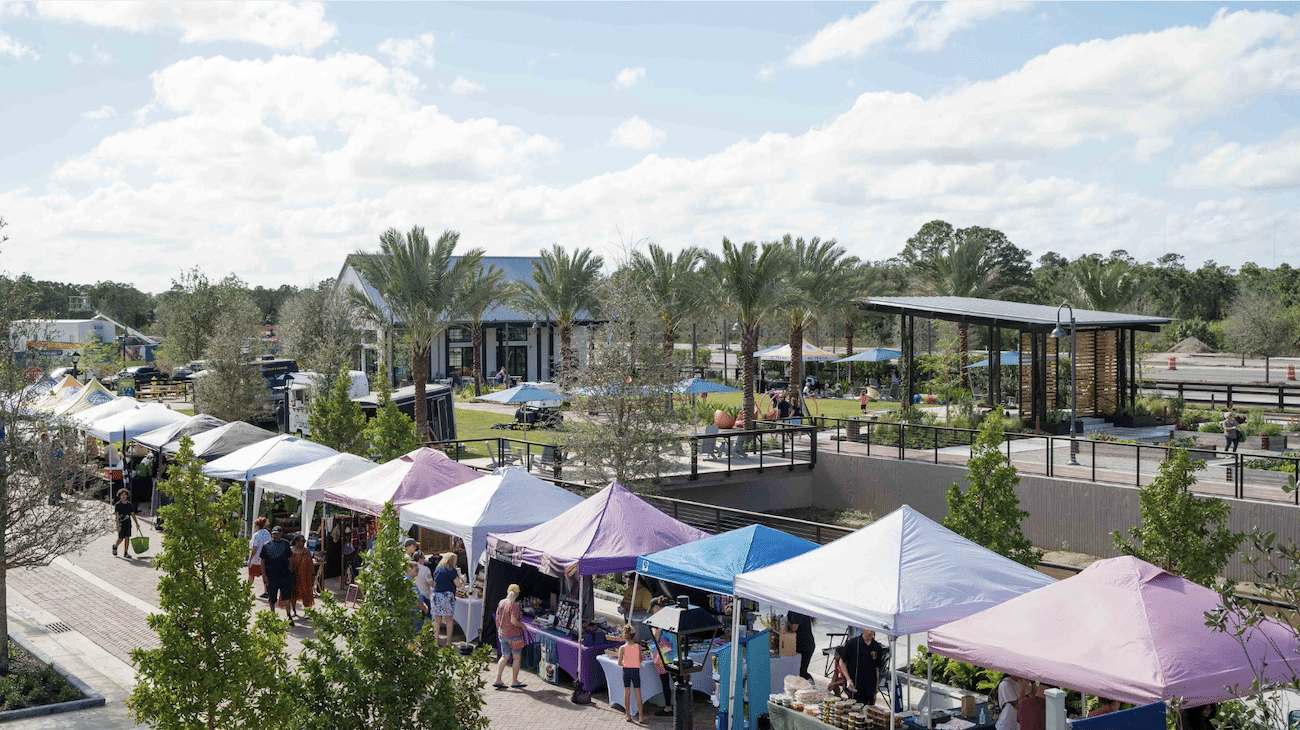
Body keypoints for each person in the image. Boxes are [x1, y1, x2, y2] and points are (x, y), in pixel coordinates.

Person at [837, 629, 885, 707]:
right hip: (856, 685)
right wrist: (848, 679)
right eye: (868, 630)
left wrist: (875, 691)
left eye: (872, 630)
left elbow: (877, 669)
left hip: (870, 687)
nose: (869, 632)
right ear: (863, 629)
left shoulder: (877, 647)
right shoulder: (852, 643)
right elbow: (842, 662)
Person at [493, 584, 527, 689]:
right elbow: (513, 621)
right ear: (517, 594)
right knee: (516, 658)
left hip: (503, 634)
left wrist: (499, 629)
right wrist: (522, 626)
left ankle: (498, 679)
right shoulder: (514, 605)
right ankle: (514, 681)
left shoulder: (501, 603)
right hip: (515, 635)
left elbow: (497, 619)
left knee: (504, 656)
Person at [259, 526, 294, 625]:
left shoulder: (285, 544)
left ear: (281, 534)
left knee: (286, 596)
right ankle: (272, 615)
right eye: (274, 534)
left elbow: (290, 557)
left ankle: (288, 615)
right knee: (272, 597)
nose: (276, 536)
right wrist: (264, 575)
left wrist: (290, 570)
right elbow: (262, 561)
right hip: (271, 575)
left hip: (284, 575)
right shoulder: (267, 545)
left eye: (277, 534)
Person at [648, 597, 675, 717]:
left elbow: (656, 637)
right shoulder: (671, 616)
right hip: (674, 652)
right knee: (676, 680)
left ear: (656, 607)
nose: (652, 612)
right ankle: (679, 705)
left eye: (652, 609)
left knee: (665, 682)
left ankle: (668, 707)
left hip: (663, 655)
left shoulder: (658, 620)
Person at [431, 552, 463, 646]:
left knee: (437, 620)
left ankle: (435, 641)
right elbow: (458, 584)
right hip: (447, 596)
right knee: (449, 620)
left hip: (436, 595)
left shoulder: (438, 568)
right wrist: (461, 580)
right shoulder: (452, 570)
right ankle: (448, 642)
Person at [619, 623, 646, 724]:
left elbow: (619, 662)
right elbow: (640, 659)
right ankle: (641, 716)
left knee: (627, 692)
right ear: (634, 635)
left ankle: (627, 714)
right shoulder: (637, 646)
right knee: (638, 692)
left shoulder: (622, 648)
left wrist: (625, 663)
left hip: (626, 670)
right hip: (635, 670)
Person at [288, 534, 315, 619]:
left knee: (306, 593)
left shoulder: (306, 551)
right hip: (294, 576)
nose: (303, 543)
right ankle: (294, 611)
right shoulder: (291, 551)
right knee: (293, 593)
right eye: (302, 541)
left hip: (305, 576)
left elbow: (311, 563)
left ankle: (307, 611)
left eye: (304, 541)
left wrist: (313, 574)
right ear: (296, 542)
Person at [786, 610, 817, 682]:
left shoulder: (796, 611)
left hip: (804, 646)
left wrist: (786, 624)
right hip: (803, 644)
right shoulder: (795, 610)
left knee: (802, 672)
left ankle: (811, 686)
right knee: (800, 671)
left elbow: (794, 628)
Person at [112, 488, 140, 558]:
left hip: (128, 523)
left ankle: (126, 552)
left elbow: (132, 514)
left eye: (125, 495)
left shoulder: (129, 505)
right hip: (121, 523)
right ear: (120, 496)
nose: (124, 496)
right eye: (122, 495)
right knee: (121, 538)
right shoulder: (118, 505)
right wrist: (118, 525)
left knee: (127, 538)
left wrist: (136, 523)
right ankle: (115, 546)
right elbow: (117, 516)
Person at [247, 517, 272, 598]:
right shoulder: (267, 533)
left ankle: (247, 590)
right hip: (266, 558)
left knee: (251, 575)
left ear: (257, 525)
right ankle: (266, 591)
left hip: (256, 559)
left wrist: (250, 559)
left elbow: (255, 547)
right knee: (265, 575)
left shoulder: (256, 535)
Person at [411, 551, 433, 618]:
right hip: (424, 595)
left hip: (413, 595)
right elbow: (430, 582)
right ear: (420, 559)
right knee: (427, 617)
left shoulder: (410, 568)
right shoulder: (426, 569)